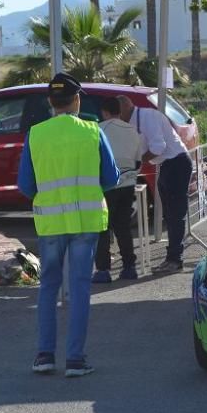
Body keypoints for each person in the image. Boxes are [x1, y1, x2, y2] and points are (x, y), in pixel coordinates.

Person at [18, 73, 119, 377]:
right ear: (77, 101)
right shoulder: (92, 131)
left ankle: (44, 355)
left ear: (50, 101)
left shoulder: (35, 134)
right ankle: (75, 359)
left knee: (48, 287)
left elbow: (25, 185)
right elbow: (111, 178)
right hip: (85, 223)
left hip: (50, 224)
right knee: (79, 289)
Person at [117, 94, 191, 273]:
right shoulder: (134, 120)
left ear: (126, 107)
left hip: (176, 163)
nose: (117, 117)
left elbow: (159, 147)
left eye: (117, 112)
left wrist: (137, 163)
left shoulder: (147, 117)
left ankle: (175, 259)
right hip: (166, 164)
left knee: (175, 214)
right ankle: (172, 257)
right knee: (169, 214)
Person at [93, 96, 141, 284]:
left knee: (102, 228)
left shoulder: (98, 130)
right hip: (128, 184)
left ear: (104, 112)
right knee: (123, 227)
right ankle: (129, 267)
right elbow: (138, 162)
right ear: (120, 111)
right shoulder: (132, 130)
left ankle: (103, 270)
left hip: (106, 185)